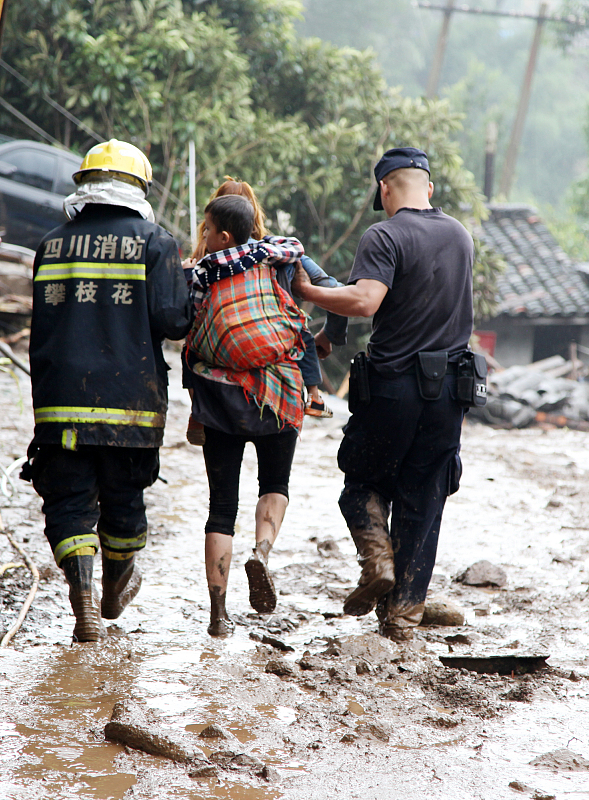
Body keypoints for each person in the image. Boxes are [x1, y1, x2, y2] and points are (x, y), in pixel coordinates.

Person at [292, 146, 475, 642]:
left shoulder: (385, 234)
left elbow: (364, 299)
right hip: (450, 396)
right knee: (425, 497)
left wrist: (310, 295)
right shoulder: (460, 235)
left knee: (362, 483)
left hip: (393, 388)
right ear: (429, 188)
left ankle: (377, 564)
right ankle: (403, 618)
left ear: (384, 189)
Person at [21, 139, 191, 641]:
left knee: (69, 502)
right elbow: (175, 322)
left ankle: (83, 598)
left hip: (59, 404)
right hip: (131, 408)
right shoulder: (156, 243)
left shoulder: (50, 244)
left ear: (85, 186)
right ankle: (116, 585)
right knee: (124, 501)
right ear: (138, 188)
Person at [185, 194, 307, 637]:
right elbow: (305, 268)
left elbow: (189, 325)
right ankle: (262, 551)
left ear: (223, 235)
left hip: (219, 398)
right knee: (274, 484)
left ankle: (218, 615)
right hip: (277, 392)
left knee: (221, 508)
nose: (203, 235)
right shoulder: (276, 255)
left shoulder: (201, 272)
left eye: (207, 229)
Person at [183, 178, 346, 443]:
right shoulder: (275, 252)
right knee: (301, 332)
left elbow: (188, 317)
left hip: (217, 381)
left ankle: (197, 411)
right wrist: (330, 335)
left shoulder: (203, 261)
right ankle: (313, 396)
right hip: (279, 378)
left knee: (189, 348)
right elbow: (334, 289)